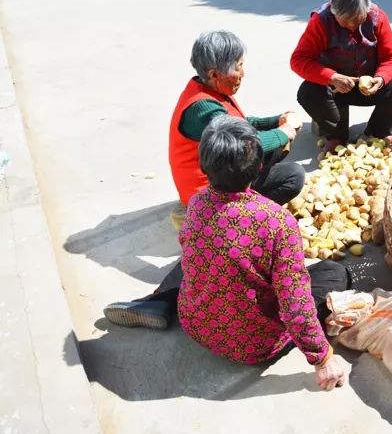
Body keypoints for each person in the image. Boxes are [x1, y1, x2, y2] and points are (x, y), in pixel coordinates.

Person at [103, 31, 306, 329]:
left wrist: (275, 121)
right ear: (214, 73)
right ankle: (160, 300)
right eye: (237, 65)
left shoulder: (212, 91)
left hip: (224, 176)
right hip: (205, 190)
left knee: (292, 175)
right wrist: (284, 133)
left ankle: (241, 221)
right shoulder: (202, 108)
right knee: (218, 239)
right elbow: (248, 144)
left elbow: (243, 126)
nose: (243, 71)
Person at [177, 116, 351, 388]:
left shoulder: (197, 202)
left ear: (204, 165)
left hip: (195, 324)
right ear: (260, 167)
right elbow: (295, 304)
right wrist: (323, 357)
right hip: (250, 346)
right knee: (335, 273)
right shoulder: (277, 223)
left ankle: (161, 301)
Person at [292, 0, 392, 153]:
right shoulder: (321, 21)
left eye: (358, 19)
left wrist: (380, 79)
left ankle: (377, 131)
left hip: (369, 85)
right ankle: (336, 134)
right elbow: (299, 60)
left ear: (367, 9)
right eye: (346, 20)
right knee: (308, 93)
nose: (352, 25)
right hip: (334, 89)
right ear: (334, 11)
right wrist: (331, 77)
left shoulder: (377, 17)